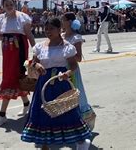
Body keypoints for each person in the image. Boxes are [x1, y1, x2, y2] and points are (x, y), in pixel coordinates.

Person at [21, 17, 91, 150]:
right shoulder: (40, 47)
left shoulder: (67, 47)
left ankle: (81, 141)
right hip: (44, 84)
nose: (48, 31)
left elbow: (73, 65)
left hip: (60, 83)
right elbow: (34, 62)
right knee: (43, 113)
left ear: (59, 30)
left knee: (67, 113)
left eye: (51, 29)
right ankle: (44, 145)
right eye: (46, 29)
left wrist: (67, 74)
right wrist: (37, 66)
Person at [0, 0, 35, 128]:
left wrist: (37, 50)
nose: (9, 6)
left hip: (19, 49)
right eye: (6, 5)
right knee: (13, 77)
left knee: (11, 78)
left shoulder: (22, 17)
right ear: (3, 6)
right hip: (7, 49)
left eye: (11, 4)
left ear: (15, 4)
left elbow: (29, 35)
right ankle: (26, 104)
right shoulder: (0, 18)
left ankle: (2, 114)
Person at [61, 12, 97, 130]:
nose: (62, 21)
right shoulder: (61, 36)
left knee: (77, 95)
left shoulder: (76, 38)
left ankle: (85, 121)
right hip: (61, 69)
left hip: (72, 70)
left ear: (70, 22)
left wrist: (68, 54)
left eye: (63, 19)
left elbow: (79, 58)